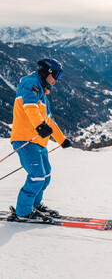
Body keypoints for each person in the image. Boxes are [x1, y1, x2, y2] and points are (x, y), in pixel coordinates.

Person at [8, 58, 72, 222]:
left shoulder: (42, 94)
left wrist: (61, 140)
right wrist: (39, 125)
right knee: (37, 176)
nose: (57, 80)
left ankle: (34, 205)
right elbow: (30, 106)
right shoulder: (30, 84)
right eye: (56, 75)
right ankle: (23, 212)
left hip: (38, 142)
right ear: (47, 72)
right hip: (25, 140)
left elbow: (49, 120)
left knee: (46, 176)